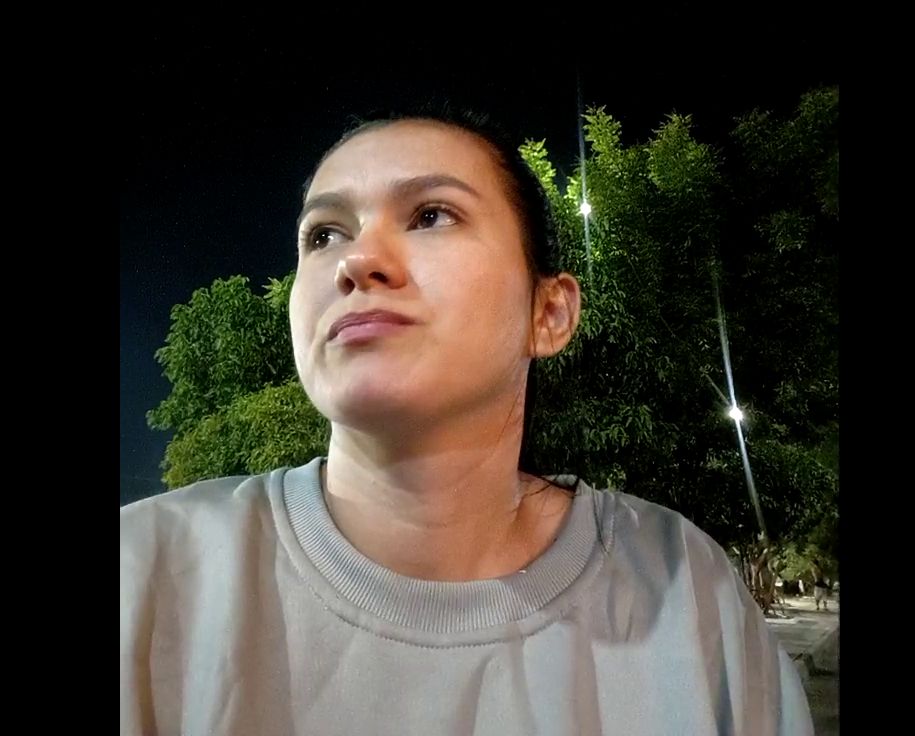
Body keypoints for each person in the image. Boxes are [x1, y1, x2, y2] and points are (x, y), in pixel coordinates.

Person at [121, 104, 814, 734]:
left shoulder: (679, 585)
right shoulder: (144, 571)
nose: (356, 261)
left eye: (431, 215)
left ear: (549, 312)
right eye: (324, 234)